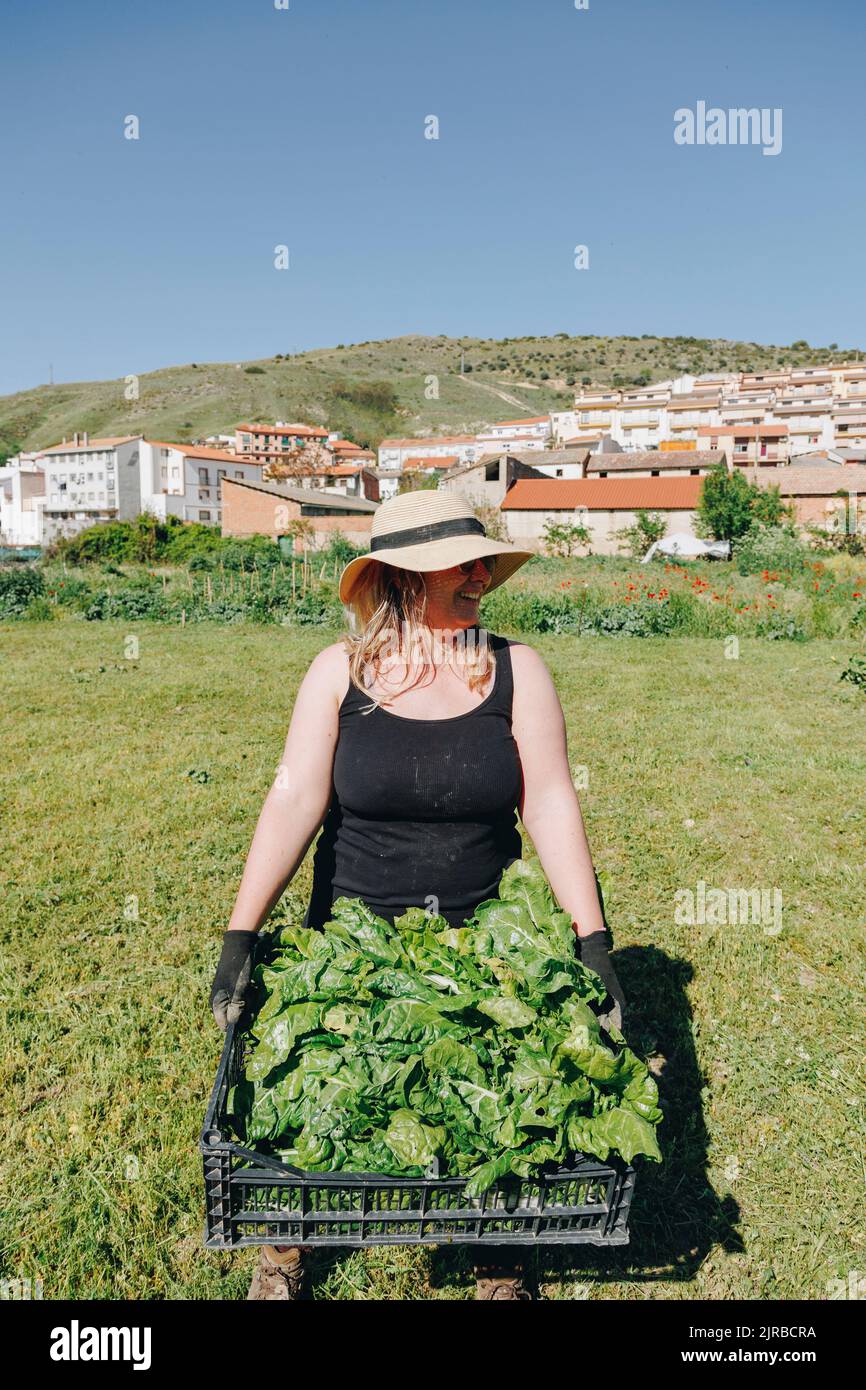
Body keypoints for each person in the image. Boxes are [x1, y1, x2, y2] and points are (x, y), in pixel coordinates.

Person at [209, 490, 626, 1301]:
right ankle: (287, 1249)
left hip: (487, 952)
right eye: (458, 566)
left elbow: (549, 802)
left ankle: (498, 1255)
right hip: (351, 947)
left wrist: (593, 944)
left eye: (481, 563)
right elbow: (294, 799)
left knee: (509, 1090)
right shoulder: (340, 674)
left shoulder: (519, 670)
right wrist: (241, 936)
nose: (479, 576)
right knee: (310, 1087)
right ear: (402, 578)